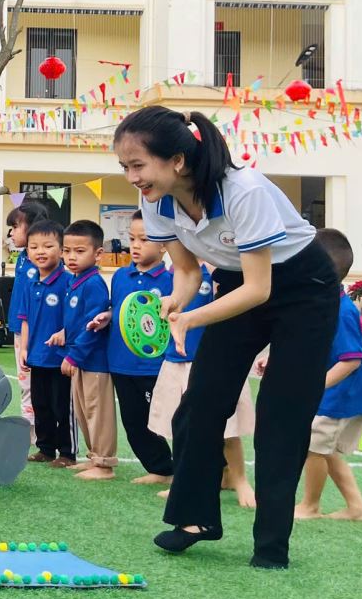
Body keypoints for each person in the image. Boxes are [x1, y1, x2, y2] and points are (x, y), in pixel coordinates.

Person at [118, 104, 335, 570]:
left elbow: (261, 289)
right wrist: (176, 303)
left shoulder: (243, 191)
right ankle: (194, 520)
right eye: (125, 167)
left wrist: (192, 320)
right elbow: (188, 272)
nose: (132, 177)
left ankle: (271, 545)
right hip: (237, 282)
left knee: (282, 415)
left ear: (177, 160)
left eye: (138, 165)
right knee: (200, 403)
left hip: (304, 287)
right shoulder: (155, 201)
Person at [146, 258, 256, 508]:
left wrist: (215, 271)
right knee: (180, 426)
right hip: (176, 356)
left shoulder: (217, 268)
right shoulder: (174, 270)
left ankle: (239, 479)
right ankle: (182, 481)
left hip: (213, 358)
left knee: (227, 429)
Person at [294, 228, 362, 523]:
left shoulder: (341, 311)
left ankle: (310, 505)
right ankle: (357, 508)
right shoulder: (324, 304)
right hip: (332, 395)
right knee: (325, 450)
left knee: (313, 448)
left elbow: (351, 360)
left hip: (340, 397)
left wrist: (316, 387)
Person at [104, 212, 175, 485]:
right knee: (133, 421)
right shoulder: (121, 276)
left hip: (155, 365)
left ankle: (190, 468)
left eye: (144, 240)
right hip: (121, 363)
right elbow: (118, 310)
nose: (135, 245)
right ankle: (160, 469)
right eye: (131, 238)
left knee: (164, 420)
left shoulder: (173, 280)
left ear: (164, 245)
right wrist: (106, 317)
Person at [53, 220, 116, 480]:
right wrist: (63, 333)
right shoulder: (75, 281)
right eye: (67, 251)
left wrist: (73, 356)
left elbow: (93, 326)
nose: (71, 257)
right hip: (81, 359)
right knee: (83, 410)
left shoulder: (94, 284)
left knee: (97, 411)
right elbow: (78, 321)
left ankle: (104, 463)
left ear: (97, 254)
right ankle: (94, 457)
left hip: (94, 361)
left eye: (79, 251)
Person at [18, 219, 76, 466]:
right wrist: (24, 349)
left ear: (61, 250)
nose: (40, 252)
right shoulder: (31, 283)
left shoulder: (68, 281)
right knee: (40, 404)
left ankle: (67, 453)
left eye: (48, 246)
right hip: (36, 356)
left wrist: (65, 333)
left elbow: (76, 317)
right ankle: (45, 449)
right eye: (34, 247)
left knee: (62, 406)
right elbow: (25, 319)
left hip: (60, 358)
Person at [5, 200, 50, 426]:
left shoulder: (43, 262)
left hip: (36, 331)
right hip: (19, 329)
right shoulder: (23, 258)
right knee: (25, 383)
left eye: (15, 227)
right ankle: (30, 430)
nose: (11, 233)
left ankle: (39, 430)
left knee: (35, 384)